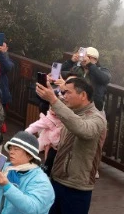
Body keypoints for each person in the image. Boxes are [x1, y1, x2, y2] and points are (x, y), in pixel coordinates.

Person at [35, 77, 106, 214]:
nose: (64, 96)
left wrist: (54, 100)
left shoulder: (97, 118)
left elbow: (82, 129)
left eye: (68, 93)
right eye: (63, 93)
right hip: (57, 179)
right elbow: (51, 102)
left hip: (77, 186)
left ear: (83, 95)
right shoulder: (70, 111)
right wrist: (48, 91)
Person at [0, 131, 55, 214]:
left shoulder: (41, 180)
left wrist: (7, 186)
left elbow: (33, 209)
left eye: (16, 149)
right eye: (10, 148)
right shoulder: (2, 164)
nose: (11, 152)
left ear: (30, 155)